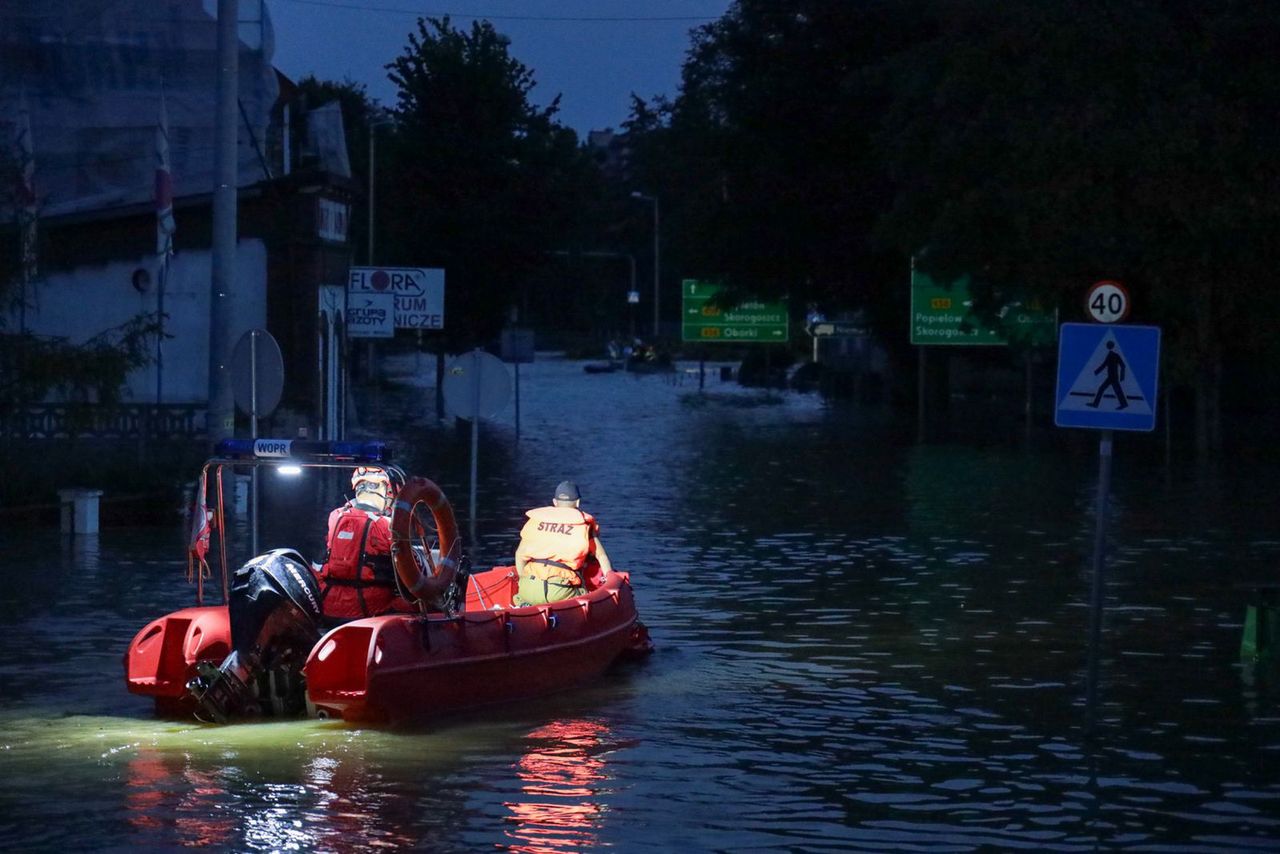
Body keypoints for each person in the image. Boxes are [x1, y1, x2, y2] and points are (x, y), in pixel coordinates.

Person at [315, 466, 407, 620]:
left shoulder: (335, 517)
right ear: (389, 492)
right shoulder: (388, 526)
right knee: (423, 606)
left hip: (329, 603)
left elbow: (319, 562)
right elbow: (411, 573)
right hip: (370, 607)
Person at [513, 481, 612, 607]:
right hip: (560, 590)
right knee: (587, 595)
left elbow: (519, 554)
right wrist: (610, 580)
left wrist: (523, 579)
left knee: (524, 598)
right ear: (578, 503)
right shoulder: (583, 526)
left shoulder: (537, 521)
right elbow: (602, 557)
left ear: (555, 502)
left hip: (528, 587)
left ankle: (524, 607)